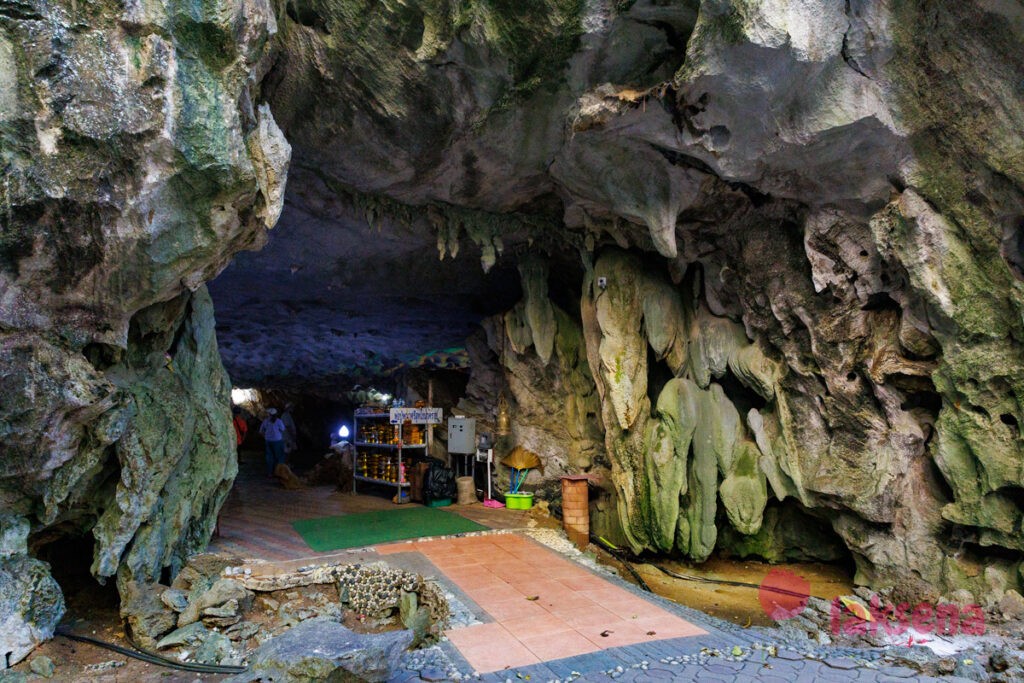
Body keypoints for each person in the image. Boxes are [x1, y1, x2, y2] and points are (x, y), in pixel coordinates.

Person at [259, 408, 287, 476]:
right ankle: (279, 472)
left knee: (270, 457)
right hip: (277, 441)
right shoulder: (278, 421)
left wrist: (265, 437)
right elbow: (283, 429)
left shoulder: (265, 421)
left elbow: (261, 431)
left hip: (268, 441)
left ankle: (270, 473)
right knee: (279, 457)